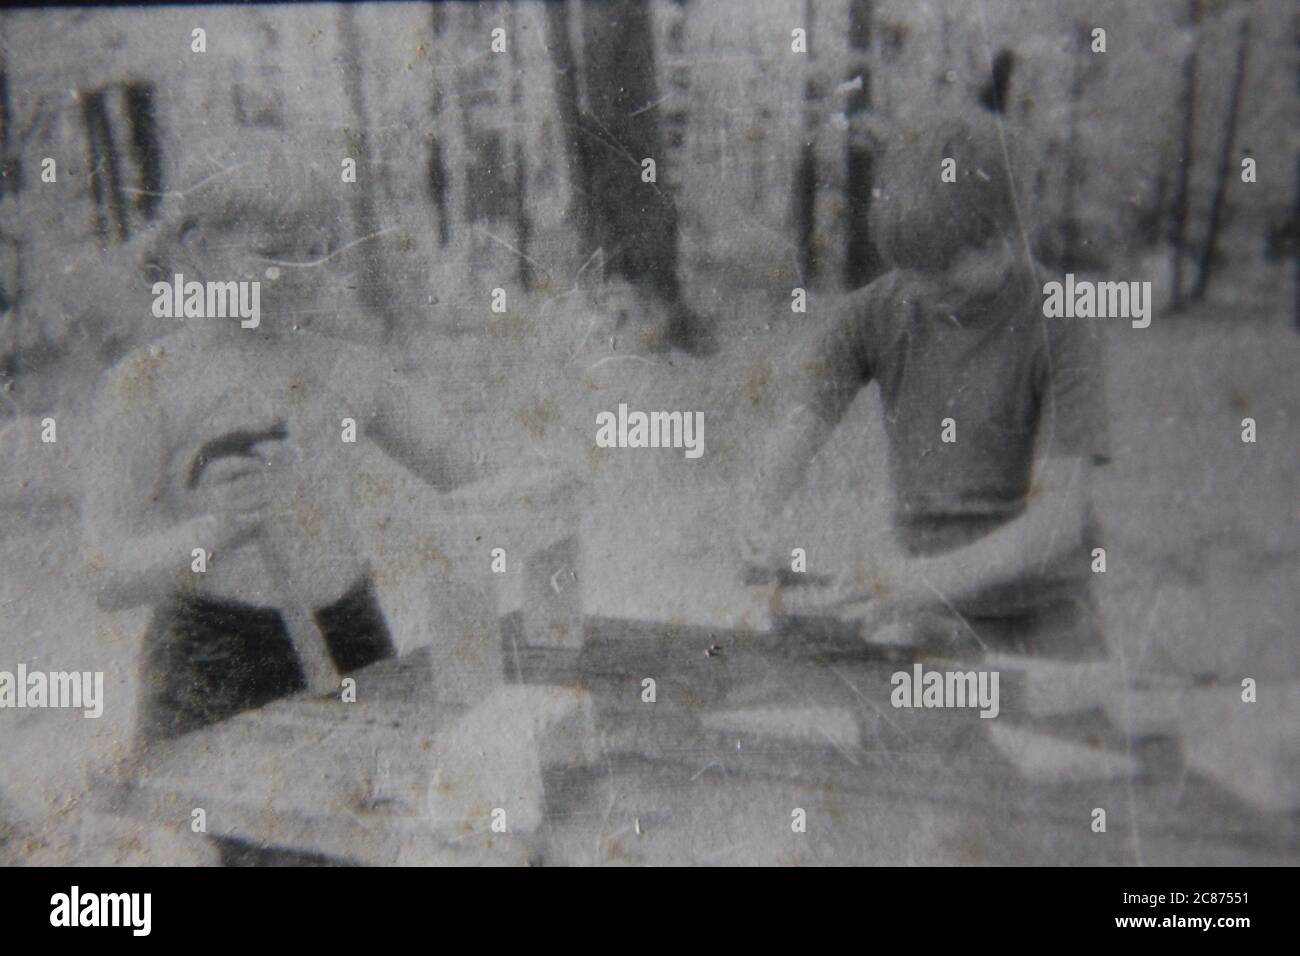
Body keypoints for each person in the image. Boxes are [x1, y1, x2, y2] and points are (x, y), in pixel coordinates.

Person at [81, 151, 480, 741]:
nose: (301, 270)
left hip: (353, 638)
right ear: (198, 249)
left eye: (315, 249)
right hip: (216, 659)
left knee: (374, 817)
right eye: (273, 250)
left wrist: (542, 469)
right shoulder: (148, 384)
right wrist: (213, 531)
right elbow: (103, 574)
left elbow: (466, 468)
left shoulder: (349, 368)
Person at [745, 111, 1110, 660]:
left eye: (939, 272)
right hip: (931, 614)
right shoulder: (878, 312)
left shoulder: (1063, 322)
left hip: (1043, 616)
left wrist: (919, 582)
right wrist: (757, 511)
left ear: (1005, 238)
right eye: (907, 269)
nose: (917, 291)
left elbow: (1058, 522)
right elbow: (800, 424)